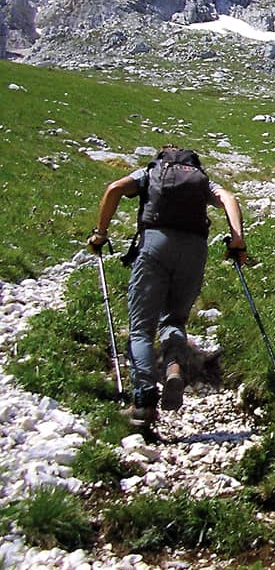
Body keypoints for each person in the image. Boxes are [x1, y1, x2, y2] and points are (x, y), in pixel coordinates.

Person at [87, 145, 246, 432]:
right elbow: (228, 198)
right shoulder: (201, 179)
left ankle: (143, 403)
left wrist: (100, 233)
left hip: (154, 247)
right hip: (194, 250)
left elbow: (114, 189)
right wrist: (238, 241)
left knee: (141, 329)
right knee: (174, 319)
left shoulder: (150, 173)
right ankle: (174, 366)